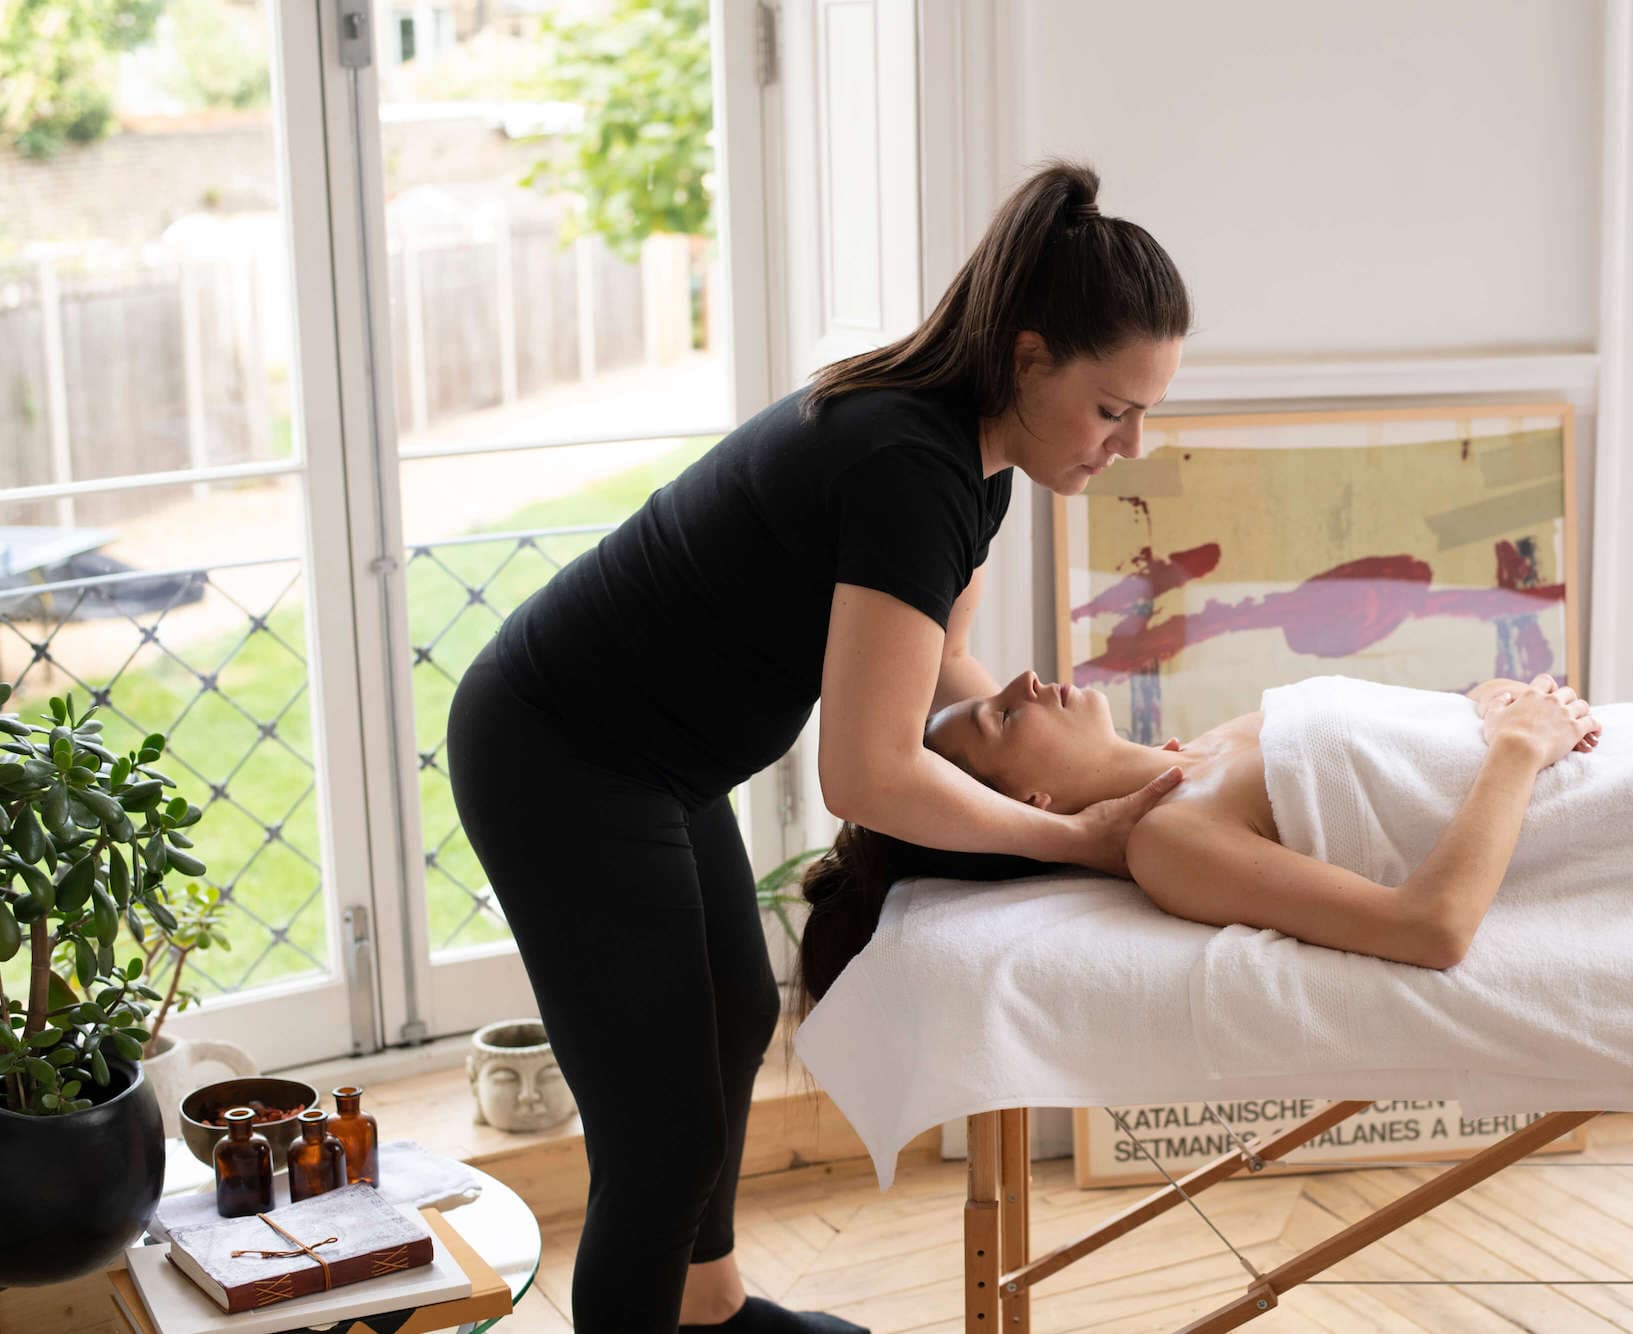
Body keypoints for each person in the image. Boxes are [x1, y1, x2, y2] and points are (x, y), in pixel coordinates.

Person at [445, 160, 1191, 1333]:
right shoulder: (908, 466)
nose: (1132, 444)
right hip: (561, 750)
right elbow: (868, 774)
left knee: (736, 1010)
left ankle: (709, 1308)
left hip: (655, 758)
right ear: (1030, 355)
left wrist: (1104, 769)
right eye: (1113, 408)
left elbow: (939, 676)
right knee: (660, 1131)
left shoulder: (977, 466)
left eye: (1147, 410)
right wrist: (1072, 838)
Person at [791, 670, 1606, 1002]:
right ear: (1030, 801)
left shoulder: (1214, 744)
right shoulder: (1170, 844)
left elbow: (1423, 731)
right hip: (1593, 816)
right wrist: (1519, 748)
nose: (1026, 681)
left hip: (1596, 750)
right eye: (1004, 716)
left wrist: (1501, 698)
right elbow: (1429, 929)